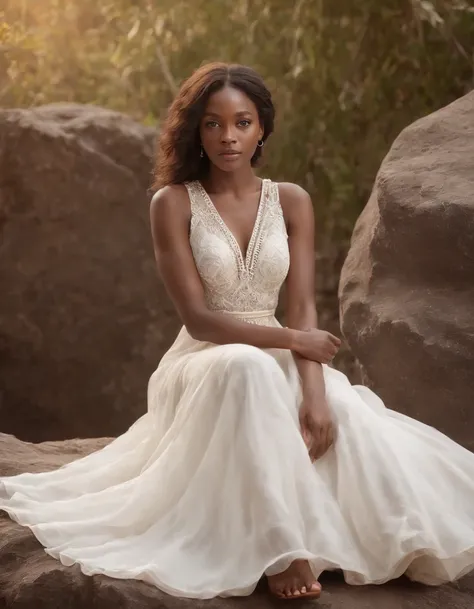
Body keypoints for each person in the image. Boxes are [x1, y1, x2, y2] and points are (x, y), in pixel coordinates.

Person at [2, 62, 474, 602]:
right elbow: (199, 318)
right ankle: (280, 549)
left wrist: (316, 393)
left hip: (277, 352)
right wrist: (296, 342)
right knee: (244, 367)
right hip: (206, 357)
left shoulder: (291, 200)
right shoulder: (173, 203)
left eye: (242, 123)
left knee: (346, 424)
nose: (228, 136)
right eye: (213, 124)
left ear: (262, 130)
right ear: (196, 132)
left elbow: (299, 305)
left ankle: (355, 534)